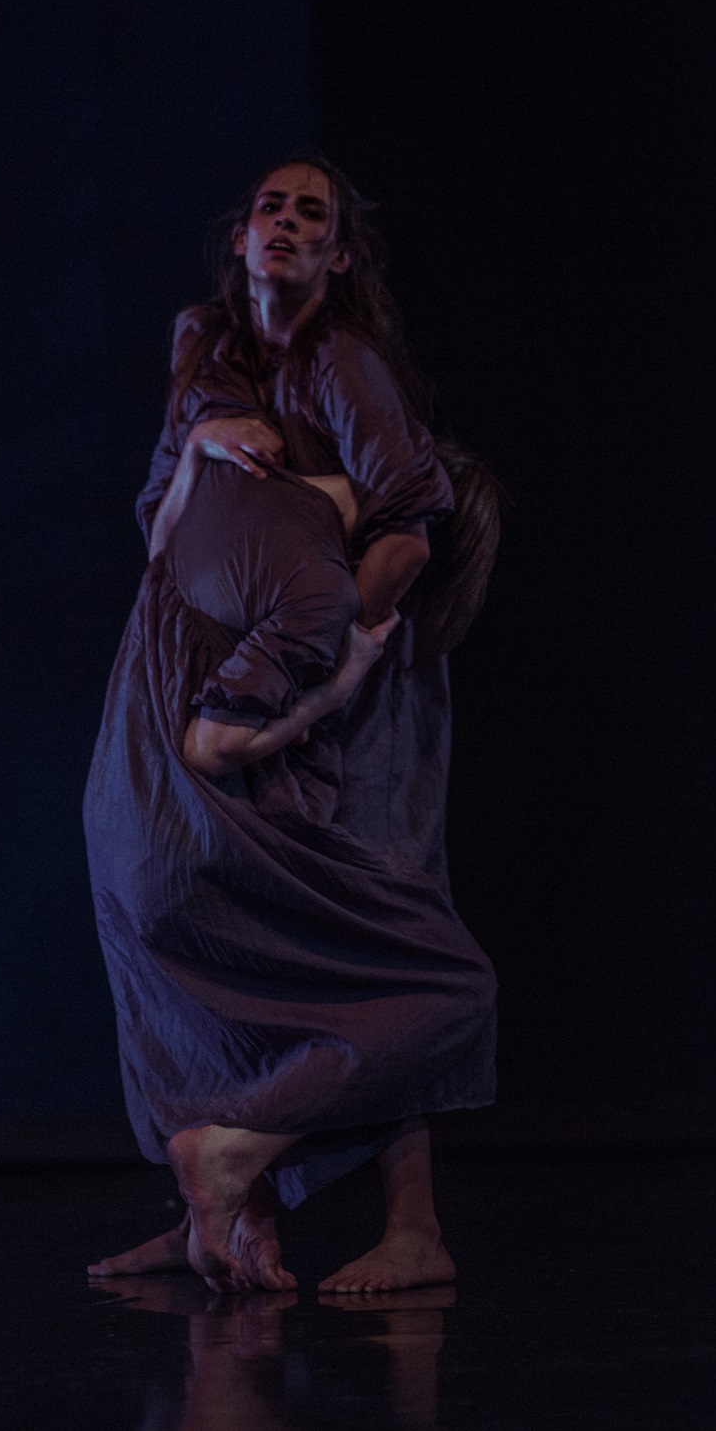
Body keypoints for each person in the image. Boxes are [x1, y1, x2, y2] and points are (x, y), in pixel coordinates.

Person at [84, 156, 498, 1293]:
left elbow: (408, 524)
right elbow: (159, 524)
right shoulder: (206, 349)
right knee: (186, 898)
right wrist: (202, 451)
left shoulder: (342, 362)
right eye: (271, 206)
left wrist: (336, 661)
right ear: (240, 236)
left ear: (338, 254)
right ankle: (224, 1206)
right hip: (217, 659)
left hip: (338, 663)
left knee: (377, 908)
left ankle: (406, 1221)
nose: (285, 222)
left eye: (311, 214)